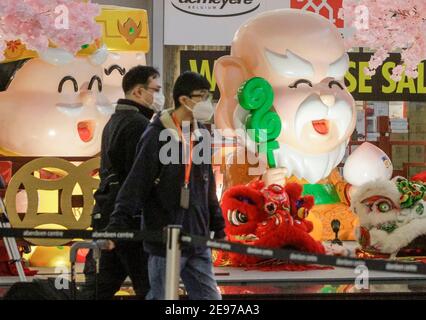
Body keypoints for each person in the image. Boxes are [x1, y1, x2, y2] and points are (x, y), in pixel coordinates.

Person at [107, 71, 225, 300]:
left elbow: (207, 186)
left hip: (197, 239)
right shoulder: (156, 135)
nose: (207, 103)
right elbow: (136, 184)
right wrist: (116, 226)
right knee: (162, 297)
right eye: (202, 97)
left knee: (211, 298)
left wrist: (218, 226)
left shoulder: (201, 134)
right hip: (165, 241)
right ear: (184, 100)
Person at [82, 65, 164, 300]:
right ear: (138, 92)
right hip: (129, 221)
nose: (158, 96)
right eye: (155, 89)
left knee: (99, 287)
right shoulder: (138, 125)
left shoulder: (115, 121)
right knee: (151, 287)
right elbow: (138, 179)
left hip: (108, 214)